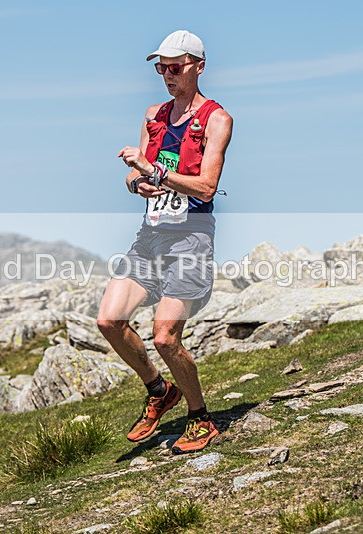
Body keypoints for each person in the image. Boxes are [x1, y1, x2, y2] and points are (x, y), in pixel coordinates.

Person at [97, 30, 233, 454]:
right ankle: (159, 391)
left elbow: (207, 187)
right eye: (161, 68)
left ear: (198, 66)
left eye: (175, 67)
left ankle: (200, 418)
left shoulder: (216, 119)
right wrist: (136, 182)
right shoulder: (153, 115)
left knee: (165, 337)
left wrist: (154, 173)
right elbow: (134, 173)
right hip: (150, 237)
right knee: (109, 321)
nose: (167, 75)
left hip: (190, 238)